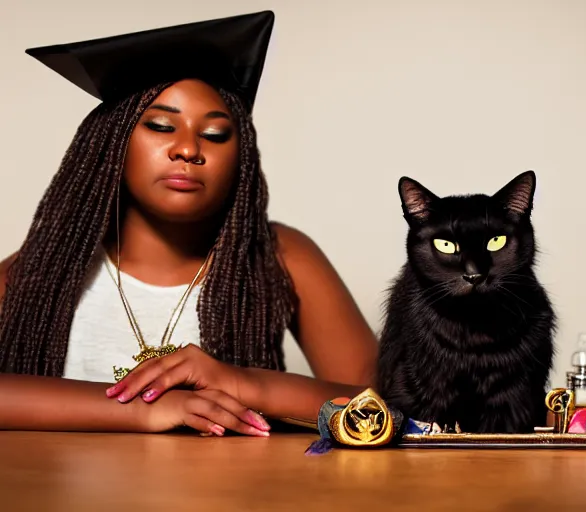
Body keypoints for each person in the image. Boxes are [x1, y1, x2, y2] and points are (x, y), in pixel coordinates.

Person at [0, 11, 378, 437]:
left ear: (243, 158)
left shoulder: (280, 256)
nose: (187, 148)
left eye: (215, 135)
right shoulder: (44, 266)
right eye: (161, 126)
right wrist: (143, 410)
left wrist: (245, 384)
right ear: (112, 144)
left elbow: (387, 405)